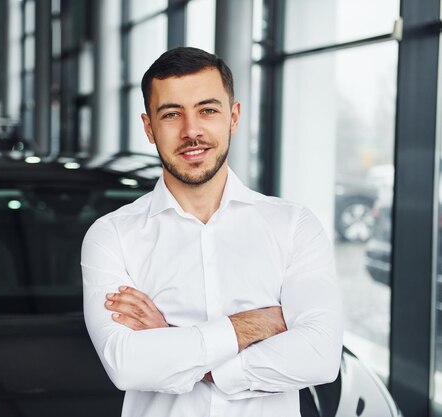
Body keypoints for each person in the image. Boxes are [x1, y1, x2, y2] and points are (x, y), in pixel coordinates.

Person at [81, 46, 343, 417]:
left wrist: (174, 343)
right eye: (171, 114)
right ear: (148, 128)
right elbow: (126, 365)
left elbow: (320, 357)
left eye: (207, 110)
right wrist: (253, 324)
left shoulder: (294, 226)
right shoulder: (111, 236)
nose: (192, 131)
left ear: (233, 117)